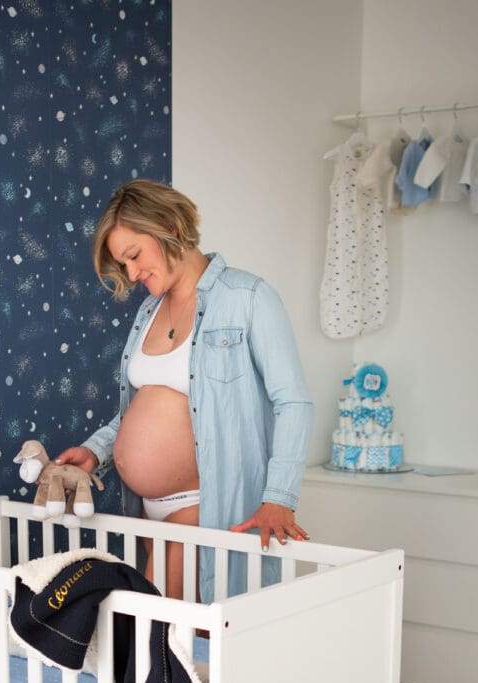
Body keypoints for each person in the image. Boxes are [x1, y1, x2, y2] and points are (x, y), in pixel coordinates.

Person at [55, 179, 314, 601]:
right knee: (186, 642)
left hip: (203, 504)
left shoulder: (248, 298)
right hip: (145, 509)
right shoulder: (148, 310)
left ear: (170, 228)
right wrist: (96, 451)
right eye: (124, 265)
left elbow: (294, 402)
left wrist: (280, 497)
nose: (133, 274)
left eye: (134, 256)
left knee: (157, 632)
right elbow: (138, 410)